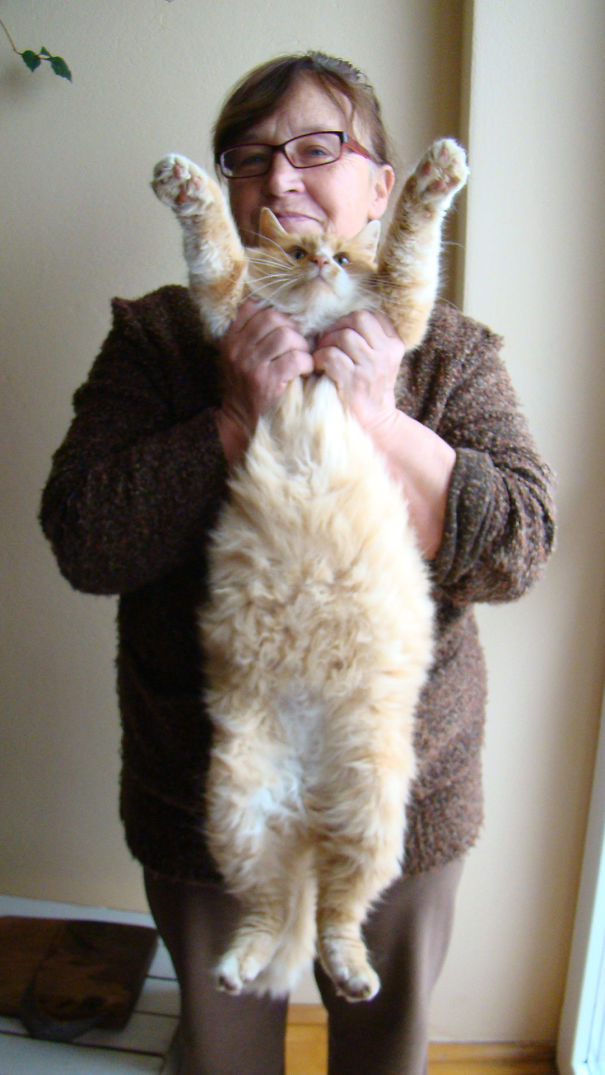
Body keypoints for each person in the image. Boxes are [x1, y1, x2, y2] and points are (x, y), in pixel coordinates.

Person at [40, 51, 556, 1075]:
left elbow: (517, 550)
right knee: (223, 1052)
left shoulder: (450, 353)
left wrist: (379, 418)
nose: (277, 179)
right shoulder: (157, 339)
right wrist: (231, 420)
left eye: (315, 149)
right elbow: (85, 538)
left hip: (401, 782)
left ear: (380, 187)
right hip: (210, 783)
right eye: (247, 158)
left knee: (381, 1047)